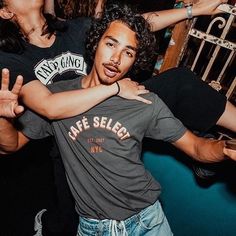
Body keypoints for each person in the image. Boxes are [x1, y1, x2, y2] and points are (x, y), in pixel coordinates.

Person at [0, 0, 235, 234]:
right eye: (109, 45)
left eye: (127, 52)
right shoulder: (11, 58)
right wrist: (116, 88)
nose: (116, 56)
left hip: (116, 118)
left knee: (178, 83)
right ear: (5, 10)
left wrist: (193, 11)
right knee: (72, 214)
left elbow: (131, 27)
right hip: (66, 132)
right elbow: (48, 108)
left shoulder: (72, 29)